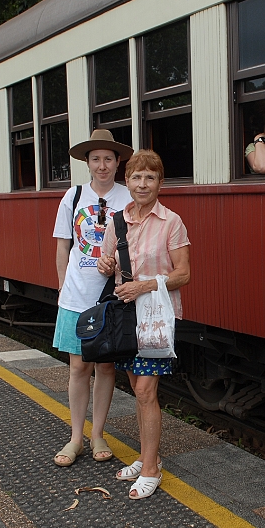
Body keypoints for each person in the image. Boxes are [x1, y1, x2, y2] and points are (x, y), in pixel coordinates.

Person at [97, 149, 191, 500]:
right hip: (125, 317)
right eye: (136, 177)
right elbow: (107, 265)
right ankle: (146, 456)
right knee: (137, 389)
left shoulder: (172, 222)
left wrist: (146, 284)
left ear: (160, 183)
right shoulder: (117, 221)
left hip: (155, 317)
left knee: (145, 391)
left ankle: (151, 468)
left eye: (150, 177)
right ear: (127, 181)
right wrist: (106, 266)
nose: (142, 183)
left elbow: (184, 273)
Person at [51, 129, 133, 469]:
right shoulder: (73, 197)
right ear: (87, 163)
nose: (102, 165)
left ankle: (98, 434)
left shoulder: (128, 197)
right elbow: (62, 247)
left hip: (110, 297)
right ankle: (75, 437)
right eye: (96, 159)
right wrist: (61, 288)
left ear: (117, 163)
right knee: (78, 367)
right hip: (76, 295)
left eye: (108, 159)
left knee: (105, 366)